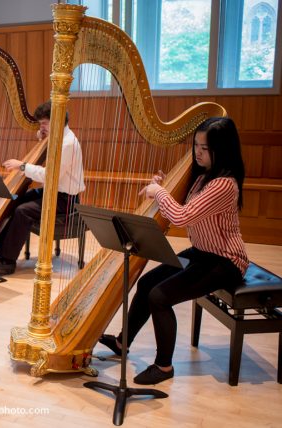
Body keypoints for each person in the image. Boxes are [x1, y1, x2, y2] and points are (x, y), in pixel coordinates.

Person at [98, 117, 249, 385]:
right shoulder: (204, 176)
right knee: (146, 283)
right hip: (202, 253)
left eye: (205, 148)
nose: (197, 152)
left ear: (222, 150)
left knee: (159, 297)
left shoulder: (224, 184)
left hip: (225, 262)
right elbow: (183, 205)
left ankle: (164, 366)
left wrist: (158, 192)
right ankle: (122, 343)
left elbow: (181, 216)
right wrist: (163, 186)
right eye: (196, 145)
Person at [0, 100, 85, 274]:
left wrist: (22, 166)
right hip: (53, 193)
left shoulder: (67, 144)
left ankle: (8, 260)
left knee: (23, 211)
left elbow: (50, 176)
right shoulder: (59, 136)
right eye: (41, 124)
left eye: (44, 123)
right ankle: (1, 248)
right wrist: (43, 133)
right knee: (16, 199)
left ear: (57, 121)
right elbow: (44, 139)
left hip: (66, 200)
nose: (41, 127)